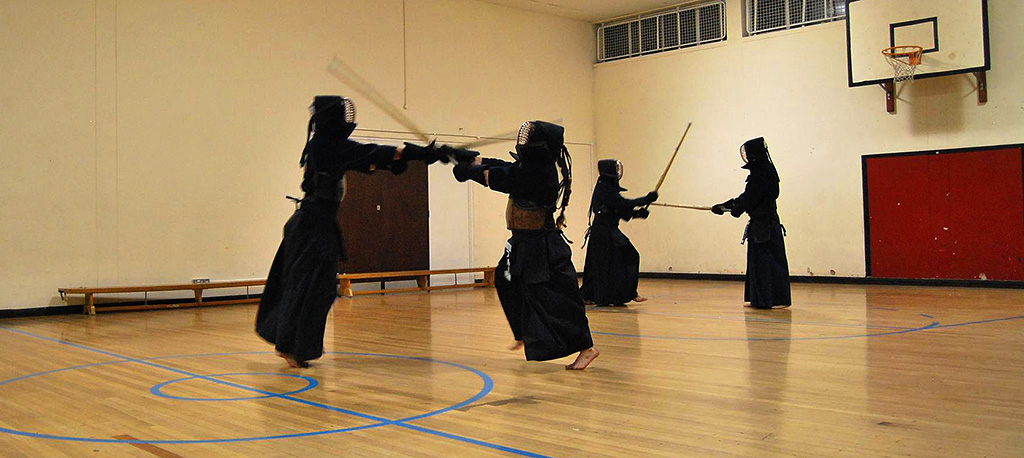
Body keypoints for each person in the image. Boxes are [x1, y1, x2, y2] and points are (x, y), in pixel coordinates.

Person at [256, 95, 458, 368]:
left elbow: (369, 161)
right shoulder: (326, 145)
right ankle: (291, 346)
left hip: (313, 225)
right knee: (311, 287)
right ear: (333, 120)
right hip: (312, 227)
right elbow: (372, 152)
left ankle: (293, 344)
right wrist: (422, 153)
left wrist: (418, 156)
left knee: (317, 287)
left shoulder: (327, 146)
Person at [452, 120, 599, 370]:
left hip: (542, 246)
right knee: (506, 279)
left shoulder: (539, 172)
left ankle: (587, 347)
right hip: (521, 244)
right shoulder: (530, 166)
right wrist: (472, 159)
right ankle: (522, 332)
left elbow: (501, 177)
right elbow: (502, 166)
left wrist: (470, 171)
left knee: (560, 299)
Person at [711, 137, 791, 309]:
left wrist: (733, 208)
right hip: (764, 223)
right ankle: (761, 299)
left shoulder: (762, 173)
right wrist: (726, 206)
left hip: (765, 225)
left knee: (765, 262)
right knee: (760, 262)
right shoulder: (763, 171)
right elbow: (748, 197)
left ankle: (769, 300)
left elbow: (750, 198)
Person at [580, 159, 658, 306]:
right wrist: (645, 199)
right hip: (602, 233)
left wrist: (637, 214)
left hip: (609, 231)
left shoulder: (609, 187)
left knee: (620, 259)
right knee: (603, 265)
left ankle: (625, 293)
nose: (617, 172)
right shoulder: (604, 188)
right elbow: (621, 204)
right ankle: (594, 295)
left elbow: (618, 209)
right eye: (615, 169)